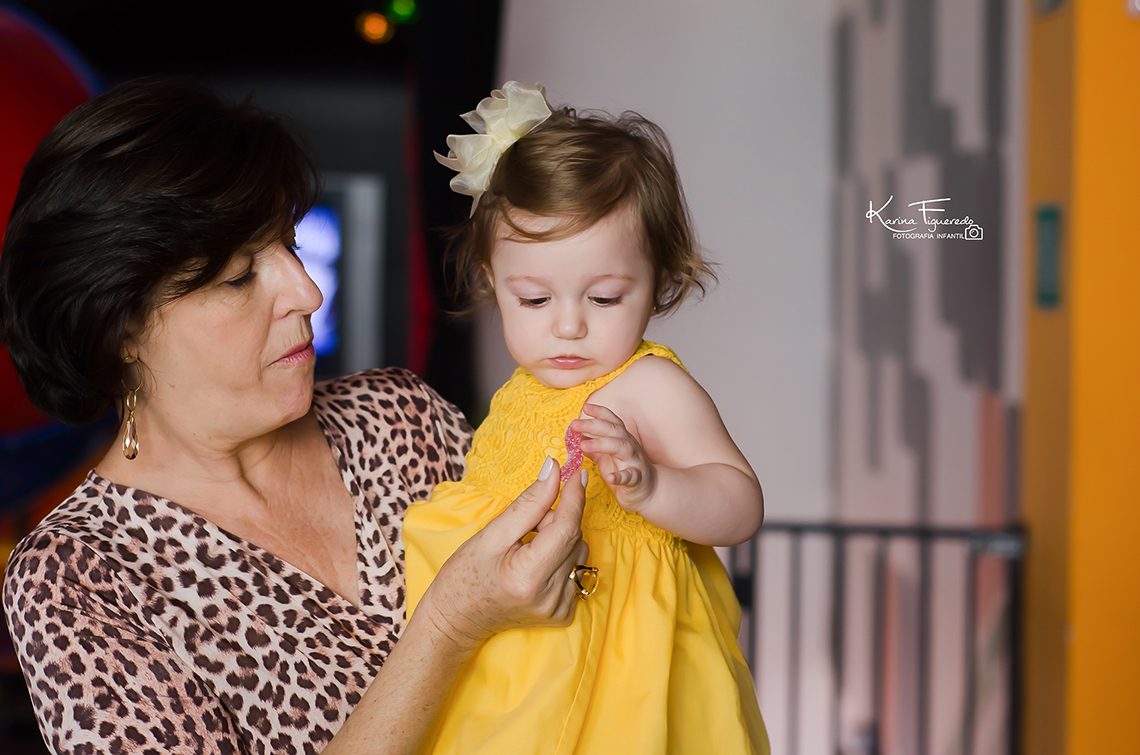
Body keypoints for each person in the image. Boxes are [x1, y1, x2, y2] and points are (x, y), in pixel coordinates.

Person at [0, 78, 595, 755]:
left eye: (289, 243)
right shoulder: (80, 574)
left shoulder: (398, 414)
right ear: (120, 327)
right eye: (238, 276)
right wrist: (449, 623)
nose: (307, 291)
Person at [403, 82, 770, 754]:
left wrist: (654, 486)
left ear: (658, 280)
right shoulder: (517, 393)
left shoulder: (648, 382)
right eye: (535, 298)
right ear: (491, 279)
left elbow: (740, 504)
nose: (568, 326)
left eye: (604, 297)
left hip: (624, 670)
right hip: (516, 666)